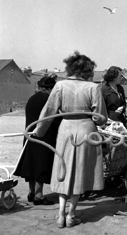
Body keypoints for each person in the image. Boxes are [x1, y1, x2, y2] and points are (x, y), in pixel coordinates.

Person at [32, 51, 107, 228]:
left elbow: (48, 112)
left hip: (65, 130)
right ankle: (71, 215)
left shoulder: (60, 86)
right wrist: (96, 119)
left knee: (63, 169)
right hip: (85, 130)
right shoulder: (92, 87)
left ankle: (60, 215)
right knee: (79, 171)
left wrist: (38, 131)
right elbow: (101, 117)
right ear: (87, 70)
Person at [13, 75, 61, 205]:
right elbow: (54, 119)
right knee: (41, 165)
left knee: (31, 164)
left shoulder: (32, 99)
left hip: (29, 136)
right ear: (50, 89)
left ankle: (31, 192)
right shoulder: (48, 100)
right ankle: (39, 195)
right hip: (43, 137)